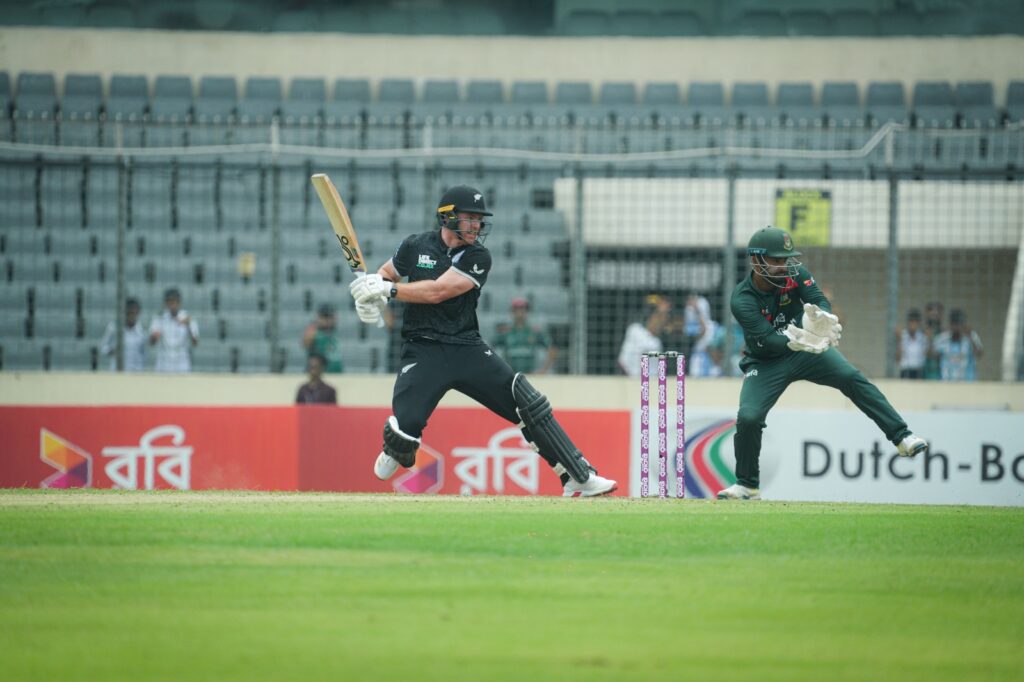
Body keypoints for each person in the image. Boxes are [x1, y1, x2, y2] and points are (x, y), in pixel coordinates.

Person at [347, 184, 617, 497]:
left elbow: (438, 291)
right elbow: (386, 274)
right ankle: (397, 448)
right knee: (404, 434)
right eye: (470, 218)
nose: (477, 225)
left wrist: (387, 291)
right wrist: (371, 295)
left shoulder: (478, 256)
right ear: (447, 217)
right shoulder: (414, 245)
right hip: (423, 349)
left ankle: (577, 477)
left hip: (467, 348)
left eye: (479, 219)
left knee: (527, 403)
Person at [717, 226, 928, 500]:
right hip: (767, 361)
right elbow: (767, 340)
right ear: (757, 260)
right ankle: (747, 485)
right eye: (776, 260)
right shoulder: (742, 299)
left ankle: (902, 437)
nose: (784, 266)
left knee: (851, 377)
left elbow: (818, 300)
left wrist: (821, 318)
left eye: (786, 259)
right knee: (749, 417)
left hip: (807, 350)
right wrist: (799, 338)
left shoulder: (796, 276)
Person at [492, 297, 556, 374]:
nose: (520, 313)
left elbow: (552, 350)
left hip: (530, 375)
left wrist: (543, 370)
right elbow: (488, 349)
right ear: (512, 312)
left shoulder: (534, 332)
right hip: (510, 375)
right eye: (516, 310)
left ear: (527, 312)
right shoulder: (505, 333)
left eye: (522, 309)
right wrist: (496, 369)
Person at [617, 294, 671, 377]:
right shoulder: (635, 330)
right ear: (653, 316)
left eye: (665, 318)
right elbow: (623, 361)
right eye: (660, 317)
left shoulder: (658, 342)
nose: (663, 322)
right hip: (632, 381)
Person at [149, 288, 198, 372]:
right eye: (169, 301)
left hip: (182, 365)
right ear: (165, 303)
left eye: (174, 301)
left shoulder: (187, 318)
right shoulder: (159, 318)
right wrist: (154, 337)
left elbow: (195, 343)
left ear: (179, 302)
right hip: (163, 365)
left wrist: (189, 326)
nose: (172, 304)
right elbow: (151, 343)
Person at [932, 309, 983, 381]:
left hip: (967, 382)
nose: (956, 327)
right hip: (946, 381)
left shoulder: (972, 336)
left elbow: (979, 354)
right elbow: (933, 356)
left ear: (963, 324)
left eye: (959, 324)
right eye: (954, 324)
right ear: (950, 324)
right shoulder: (942, 338)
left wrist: (971, 338)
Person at [99, 297, 146, 371]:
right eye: (129, 313)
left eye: (134, 313)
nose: (132, 316)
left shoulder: (141, 330)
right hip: (117, 370)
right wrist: (112, 351)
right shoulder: (114, 327)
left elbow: (143, 353)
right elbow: (103, 347)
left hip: (136, 371)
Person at [302, 303, 344, 373]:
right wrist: (316, 325)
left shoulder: (336, 331)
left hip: (337, 373)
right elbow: (305, 343)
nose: (328, 320)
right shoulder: (314, 331)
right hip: (320, 374)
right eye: (325, 317)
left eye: (330, 317)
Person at [895, 308, 928, 379]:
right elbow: (898, 358)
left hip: (919, 370)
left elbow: (926, 355)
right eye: (911, 321)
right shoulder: (902, 336)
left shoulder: (922, 337)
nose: (913, 324)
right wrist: (899, 340)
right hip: (906, 370)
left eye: (916, 321)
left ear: (919, 323)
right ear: (908, 322)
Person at [922, 301, 944, 380]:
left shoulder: (945, 334)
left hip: (942, 375)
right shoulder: (921, 333)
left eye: (937, 311)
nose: (934, 314)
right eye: (931, 311)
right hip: (923, 375)